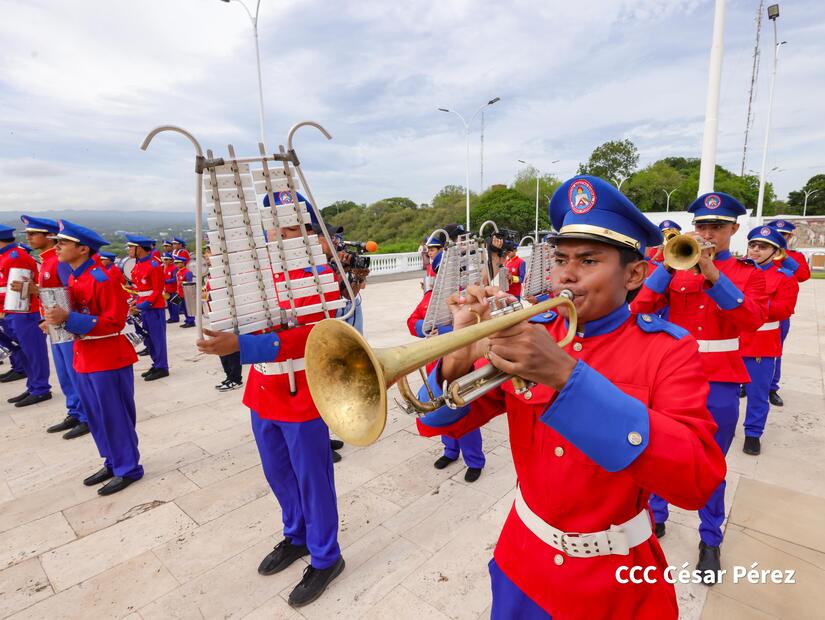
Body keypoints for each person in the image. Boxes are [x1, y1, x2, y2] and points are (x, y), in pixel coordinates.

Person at [416, 176, 725, 618]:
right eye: (560, 258)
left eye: (588, 259)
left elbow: (697, 481)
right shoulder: (534, 335)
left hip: (617, 580)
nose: (566, 273)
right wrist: (457, 355)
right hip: (523, 563)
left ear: (635, 273)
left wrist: (566, 376)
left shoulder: (668, 350)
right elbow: (434, 424)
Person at [196, 192, 345, 608]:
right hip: (263, 392)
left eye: (292, 227)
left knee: (313, 481)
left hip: (302, 396)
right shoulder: (255, 272)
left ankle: (326, 555)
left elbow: (316, 335)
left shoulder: (318, 275)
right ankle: (296, 535)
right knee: (278, 474)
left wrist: (243, 345)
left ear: (309, 231)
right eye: (275, 226)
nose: (281, 235)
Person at [631, 191, 767, 579]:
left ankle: (710, 537)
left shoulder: (747, 272)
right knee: (659, 452)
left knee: (711, 464)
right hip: (674, 378)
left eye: (717, 227)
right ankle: (656, 517)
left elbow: (752, 320)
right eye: (702, 225)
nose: (708, 233)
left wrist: (714, 276)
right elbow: (639, 309)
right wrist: (670, 267)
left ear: (733, 230)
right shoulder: (675, 266)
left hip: (721, 381)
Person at [43, 220, 143, 495]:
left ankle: (128, 467)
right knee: (96, 416)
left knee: (114, 415)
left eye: (63, 243)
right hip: (85, 355)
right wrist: (57, 321)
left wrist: (69, 318)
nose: (57, 247)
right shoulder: (75, 276)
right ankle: (112, 461)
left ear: (83, 249)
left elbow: (114, 321)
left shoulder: (103, 277)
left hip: (107, 355)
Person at [407, 225, 485, 483]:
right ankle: (450, 451)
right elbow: (412, 321)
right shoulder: (430, 297)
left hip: (463, 367)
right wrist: (425, 327)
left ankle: (475, 460)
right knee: (440, 411)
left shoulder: (469, 299)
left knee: (466, 416)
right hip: (435, 368)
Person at [18, 216, 90, 438]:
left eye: (33, 234)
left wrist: (35, 292)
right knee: (64, 373)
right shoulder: (47, 261)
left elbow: (72, 292)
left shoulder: (58, 262)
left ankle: (87, 415)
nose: (29, 238)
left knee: (74, 372)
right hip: (54, 324)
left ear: (48, 236)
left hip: (66, 324)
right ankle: (75, 412)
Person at [739, 226, 799, 455]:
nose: (755, 250)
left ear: (775, 252)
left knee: (757, 393)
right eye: (752, 246)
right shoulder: (739, 270)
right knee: (726, 392)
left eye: (762, 247)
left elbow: (785, 309)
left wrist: (750, 303)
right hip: (733, 340)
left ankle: (753, 433)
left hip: (761, 342)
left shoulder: (784, 277)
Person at [0, 223, 52, 407]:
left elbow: (20, 290)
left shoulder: (15, 257)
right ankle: (33, 386)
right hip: (13, 311)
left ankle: (40, 389)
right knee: (24, 352)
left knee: (34, 352)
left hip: (25, 311)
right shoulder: (6, 256)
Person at [765, 219, 811, 407]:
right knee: (746, 350)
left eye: (783, 235)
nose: (780, 237)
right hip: (756, 312)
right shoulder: (760, 251)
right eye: (776, 233)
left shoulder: (794, 256)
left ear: (789, 237)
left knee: (776, 352)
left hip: (779, 315)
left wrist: (784, 256)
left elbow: (803, 276)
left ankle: (772, 388)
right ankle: (746, 383)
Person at [126, 234, 169, 380]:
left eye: (131, 247)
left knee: (157, 339)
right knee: (147, 338)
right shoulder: (138, 264)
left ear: (139, 248)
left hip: (154, 307)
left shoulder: (154, 265)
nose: (129, 250)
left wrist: (143, 305)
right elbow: (140, 289)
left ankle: (162, 367)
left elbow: (157, 290)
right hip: (142, 306)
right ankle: (156, 363)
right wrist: (135, 302)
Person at [173, 252, 195, 328]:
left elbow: (189, 282)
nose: (176, 265)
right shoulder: (178, 272)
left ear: (183, 263)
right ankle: (187, 320)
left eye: (178, 263)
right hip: (181, 293)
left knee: (189, 308)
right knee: (184, 308)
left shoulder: (187, 272)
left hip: (187, 293)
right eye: (176, 263)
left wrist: (183, 282)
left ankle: (191, 321)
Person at [162, 252, 180, 324]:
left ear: (171, 260)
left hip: (174, 290)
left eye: (167, 259)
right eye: (164, 259)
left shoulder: (174, 268)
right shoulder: (165, 268)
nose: (165, 261)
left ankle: (175, 318)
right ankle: (171, 317)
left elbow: (175, 279)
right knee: (169, 305)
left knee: (174, 305)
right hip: (168, 290)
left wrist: (165, 281)